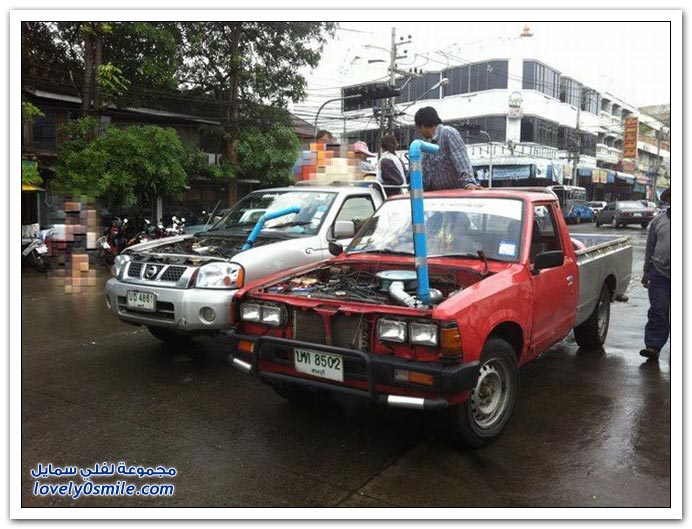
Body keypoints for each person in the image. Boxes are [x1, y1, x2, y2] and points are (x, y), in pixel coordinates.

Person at [414, 106, 481, 191]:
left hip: (454, 193)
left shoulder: (448, 134)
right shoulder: (425, 144)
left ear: (422, 125)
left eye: (418, 128)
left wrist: (469, 183)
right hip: (434, 194)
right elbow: (424, 173)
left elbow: (461, 159)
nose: (419, 131)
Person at [640, 187, 671, 361]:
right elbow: (650, 247)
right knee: (658, 310)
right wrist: (646, 271)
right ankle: (653, 346)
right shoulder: (658, 221)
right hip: (660, 274)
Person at [376, 133, 407, 197]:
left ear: (382, 146)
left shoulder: (385, 160)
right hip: (404, 192)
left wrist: (378, 185)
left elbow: (397, 181)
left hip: (393, 195)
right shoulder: (398, 159)